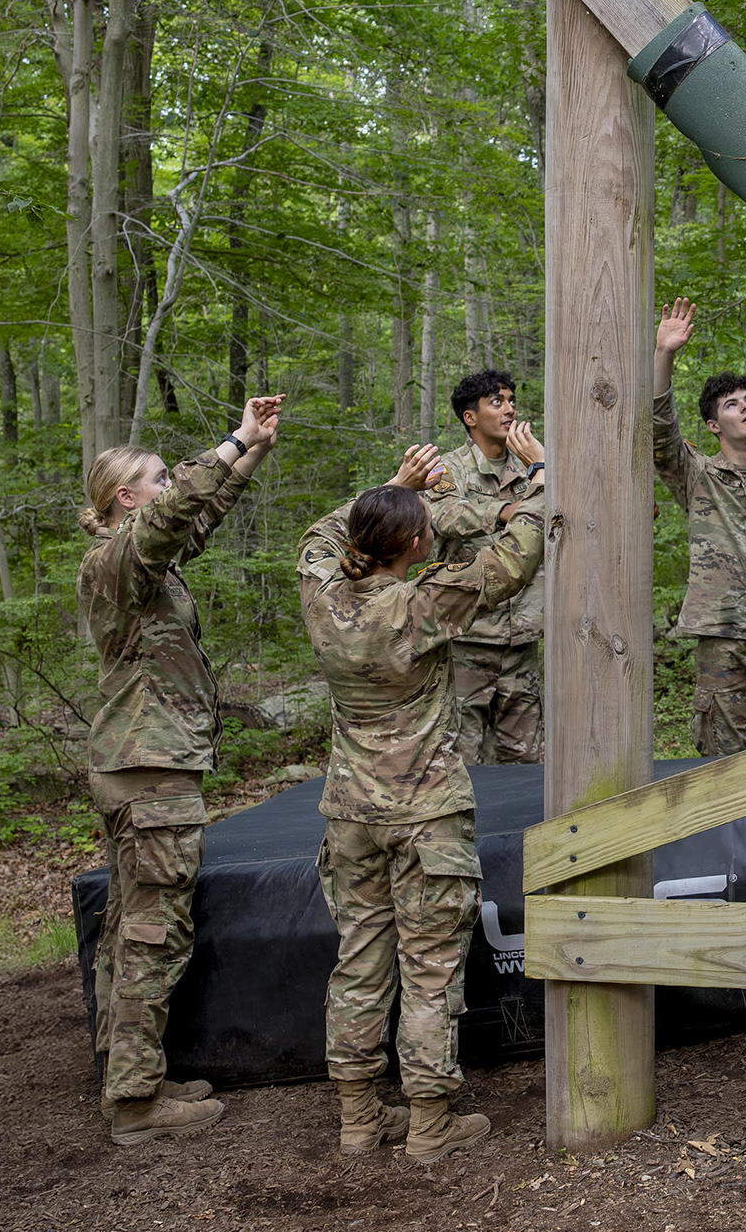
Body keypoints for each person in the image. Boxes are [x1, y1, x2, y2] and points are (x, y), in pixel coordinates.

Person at [296, 429, 549, 1163]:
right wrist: (539, 475)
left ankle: (356, 1115)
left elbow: (322, 533)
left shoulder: (323, 596)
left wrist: (391, 482)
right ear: (412, 544)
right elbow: (516, 557)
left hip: (350, 814)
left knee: (360, 961)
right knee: (430, 969)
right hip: (426, 812)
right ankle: (430, 1121)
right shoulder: (419, 603)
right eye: (423, 524)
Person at [76, 393, 281, 1145]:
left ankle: (125, 1071)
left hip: (142, 764)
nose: (170, 486)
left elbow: (192, 521)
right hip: (150, 768)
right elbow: (172, 519)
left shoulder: (145, 564)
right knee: (154, 932)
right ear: (126, 497)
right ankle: (134, 1098)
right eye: (158, 478)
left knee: (130, 923)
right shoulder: (117, 561)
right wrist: (231, 441)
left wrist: (251, 452)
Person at [652, 298, 746, 755]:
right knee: (719, 764)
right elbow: (659, 430)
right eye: (732, 405)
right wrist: (664, 354)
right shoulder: (697, 477)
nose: (745, 407)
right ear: (713, 425)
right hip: (722, 639)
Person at [428, 368, 547, 765]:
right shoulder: (449, 469)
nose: (510, 410)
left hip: (524, 641)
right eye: (497, 402)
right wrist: (503, 511)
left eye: (512, 401)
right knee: (462, 758)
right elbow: (444, 515)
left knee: (527, 759)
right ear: (470, 417)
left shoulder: (533, 466)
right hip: (469, 639)